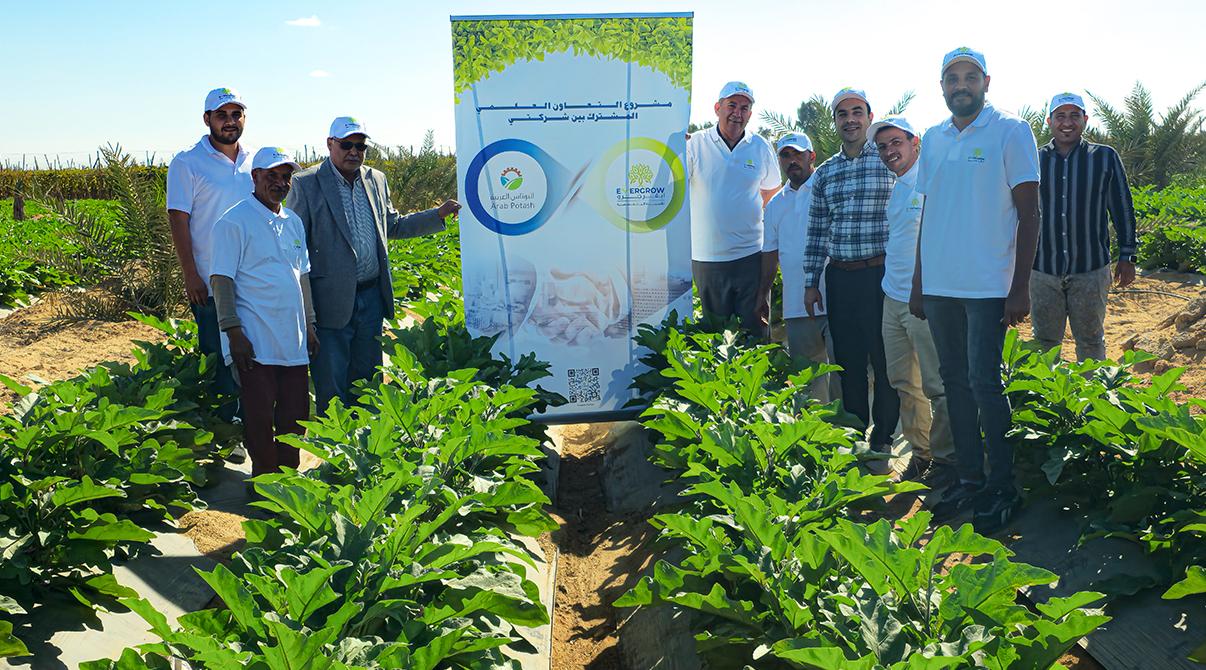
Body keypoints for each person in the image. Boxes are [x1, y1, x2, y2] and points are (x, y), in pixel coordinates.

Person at [910, 47, 1040, 531]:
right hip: (942, 287)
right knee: (955, 383)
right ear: (941, 86)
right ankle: (969, 479)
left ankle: (1002, 484)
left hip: (988, 286)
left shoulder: (1010, 130)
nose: (959, 85)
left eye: (969, 77)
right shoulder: (935, 139)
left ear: (986, 82)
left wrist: (1019, 287)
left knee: (985, 384)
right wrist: (920, 283)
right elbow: (929, 215)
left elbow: (1030, 214)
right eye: (951, 78)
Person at [288, 117, 460, 413]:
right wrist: (305, 312)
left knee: (368, 382)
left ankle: (367, 448)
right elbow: (293, 246)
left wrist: (438, 215)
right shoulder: (306, 184)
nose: (354, 151)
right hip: (329, 300)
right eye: (346, 145)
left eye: (360, 146)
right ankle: (334, 449)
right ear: (330, 144)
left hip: (370, 297)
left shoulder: (376, 179)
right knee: (332, 385)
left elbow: (393, 226)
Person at [802, 88, 900, 466]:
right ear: (836, 122)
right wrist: (811, 282)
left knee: (885, 358)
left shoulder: (889, 161)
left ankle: (885, 435)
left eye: (857, 112)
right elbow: (816, 231)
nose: (850, 120)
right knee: (849, 360)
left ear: (869, 116)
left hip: (881, 274)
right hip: (840, 278)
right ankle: (856, 431)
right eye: (842, 114)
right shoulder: (826, 173)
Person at [209, 147, 317, 478]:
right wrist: (233, 332)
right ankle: (265, 481)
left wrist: (310, 324)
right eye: (272, 175)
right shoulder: (234, 221)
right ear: (255, 176)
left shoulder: (293, 222)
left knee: (295, 414)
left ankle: (287, 477)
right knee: (258, 416)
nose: (280, 183)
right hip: (254, 340)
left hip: (292, 340)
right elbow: (221, 279)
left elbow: (302, 277)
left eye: (285, 177)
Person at [868, 116, 956, 487]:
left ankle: (949, 460)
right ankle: (921, 454)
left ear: (914, 142)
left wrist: (925, 290)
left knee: (937, 384)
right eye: (883, 146)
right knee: (903, 381)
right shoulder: (897, 187)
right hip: (893, 296)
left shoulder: (932, 181)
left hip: (925, 298)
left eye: (896, 143)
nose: (890, 151)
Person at [166, 86, 252, 463]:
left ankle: (252, 426)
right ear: (207, 120)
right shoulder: (187, 163)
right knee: (219, 357)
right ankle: (226, 433)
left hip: (252, 279)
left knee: (252, 355)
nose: (229, 122)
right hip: (212, 280)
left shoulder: (253, 161)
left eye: (236, 114)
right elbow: (178, 219)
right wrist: (190, 275)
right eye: (222, 115)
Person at [1031, 91, 1138, 361]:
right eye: (1060, 116)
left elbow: (1122, 206)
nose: (1067, 122)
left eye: (1074, 116)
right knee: (1044, 344)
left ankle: (1093, 401)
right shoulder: (1034, 160)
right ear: (1049, 121)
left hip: (1090, 270)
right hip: (1043, 269)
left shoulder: (1104, 157)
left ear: (1085, 120)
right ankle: (1048, 401)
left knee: (1090, 341)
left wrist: (1127, 255)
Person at [687, 81, 780, 334]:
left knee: (755, 336)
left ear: (750, 114)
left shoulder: (760, 146)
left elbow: (771, 190)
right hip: (707, 259)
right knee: (714, 339)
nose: (737, 113)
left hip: (751, 256)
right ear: (717, 108)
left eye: (744, 108)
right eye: (731, 106)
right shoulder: (694, 144)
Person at [757, 132, 839, 402]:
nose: (792, 161)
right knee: (808, 382)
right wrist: (763, 296)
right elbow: (770, 253)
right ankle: (818, 440)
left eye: (798, 154)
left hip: (836, 300)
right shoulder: (775, 205)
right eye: (786, 155)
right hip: (796, 306)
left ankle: (849, 437)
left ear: (812, 156)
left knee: (842, 376)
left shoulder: (830, 188)